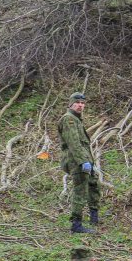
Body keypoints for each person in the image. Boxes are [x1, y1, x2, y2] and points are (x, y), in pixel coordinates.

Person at [58, 92, 99, 233]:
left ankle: (94, 216)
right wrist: (83, 162)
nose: (81, 105)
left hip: (85, 159)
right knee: (80, 190)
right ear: (71, 104)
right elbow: (74, 143)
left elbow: (83, 144)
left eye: (83, 103)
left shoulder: (76, 119)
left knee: (93, 184)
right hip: (76, 161)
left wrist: (89, 161)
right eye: (78, 103)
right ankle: (76, 225)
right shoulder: (68, 119)